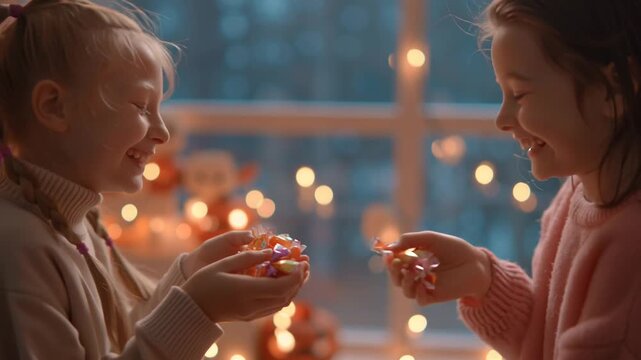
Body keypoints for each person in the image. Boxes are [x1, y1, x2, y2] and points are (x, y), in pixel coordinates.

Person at [0, 1, 308, 359]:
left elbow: (121, 342)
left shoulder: (73, 222)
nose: (162, 133)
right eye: (142, 107)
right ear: (54, 106)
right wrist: (199, 311)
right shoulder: (18, 250)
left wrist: (191, 273)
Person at [386, 0, 641, 358]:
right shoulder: (573, 197)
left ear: (615, 90)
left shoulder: (629, 254)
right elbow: (543, 341)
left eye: (519, 95)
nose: (502, 120)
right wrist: (482, 279)